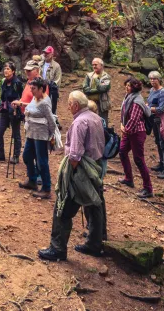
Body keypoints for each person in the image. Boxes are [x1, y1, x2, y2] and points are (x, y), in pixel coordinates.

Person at [38, 91, 105, 261]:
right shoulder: (96, 118)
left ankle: (57, 248)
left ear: (75, 105)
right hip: (97, 167)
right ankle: (95, 244)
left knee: (63, 207)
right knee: (95, 205)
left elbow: (75, 155)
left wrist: (72, 173)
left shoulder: (79, 123)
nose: (67, 106)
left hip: (81, 169)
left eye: (69, 103)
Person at [20, 77, 57, 198]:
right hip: (31, 133)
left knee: (42, 162)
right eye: (31, 88)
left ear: (41, 89)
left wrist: (51, 136)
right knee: (27, 156)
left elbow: (52, 121)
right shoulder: (36, 98)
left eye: (34, 88)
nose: (32, 91)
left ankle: (46, 188)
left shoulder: (45, 103)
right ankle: (32, 180)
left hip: (41, 135)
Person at [119, 76, 153, 198]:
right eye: (126, 85)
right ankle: (129, 178)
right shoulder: (128, 97)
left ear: (135, 87)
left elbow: (134, 119)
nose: (127, 88)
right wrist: (122, 125)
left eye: (129, 86)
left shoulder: (137, 101)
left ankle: (148, 188)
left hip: (137, 133)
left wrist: (124, 130)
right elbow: (124, 114)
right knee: (122, 152)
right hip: (129, 132)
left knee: (139, 159)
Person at [0, 62, 23, 164]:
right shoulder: (4, 81)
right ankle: (0, 153)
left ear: (13, 71)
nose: (6, 70)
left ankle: (16, 156)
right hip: (5, 110)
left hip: (14, 111)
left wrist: (17, 105)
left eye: (8, 69)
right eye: (5, 68)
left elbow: (21, 96)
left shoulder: (17, 83)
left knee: (16, 134)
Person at [82, 58, 111, 123]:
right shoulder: (89, 76)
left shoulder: (106, 77)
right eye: (93, 65)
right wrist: (96, 90)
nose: (94, 66)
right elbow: (85, 89)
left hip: (102, 103)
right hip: (90, 103)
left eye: (96, 64)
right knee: (89, 120)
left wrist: (97, 80)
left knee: (102, 121)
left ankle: (103, 132)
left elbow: (103, 89)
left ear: (101, 65)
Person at [41, 46, 62, 114]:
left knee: (51, 108)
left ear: (52, 54)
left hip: (51, 91)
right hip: (40, 89)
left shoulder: (56, 66)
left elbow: (57, 81)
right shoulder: (39, 64)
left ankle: (54, 121)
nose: (45, 54)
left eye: (47, 53)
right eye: (44, 53)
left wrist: (50, 85)